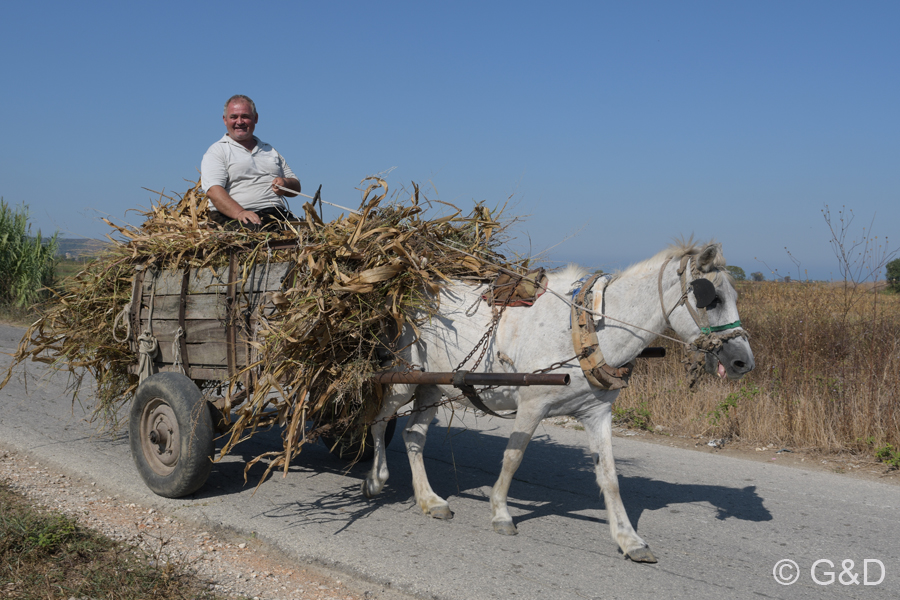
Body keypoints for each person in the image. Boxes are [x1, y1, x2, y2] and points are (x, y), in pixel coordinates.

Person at [200, 95, 302, 230]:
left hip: (275, 215)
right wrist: (240, 213)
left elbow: (296, 188)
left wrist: (285, 183)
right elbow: (214, 191)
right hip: (234, 218)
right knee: (260, 235)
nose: (239, 121)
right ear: (225, 120)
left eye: (245, 116)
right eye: (233, 117)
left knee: (311, 233)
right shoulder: (218, 151)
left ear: (256, 118)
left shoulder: (269, 150)